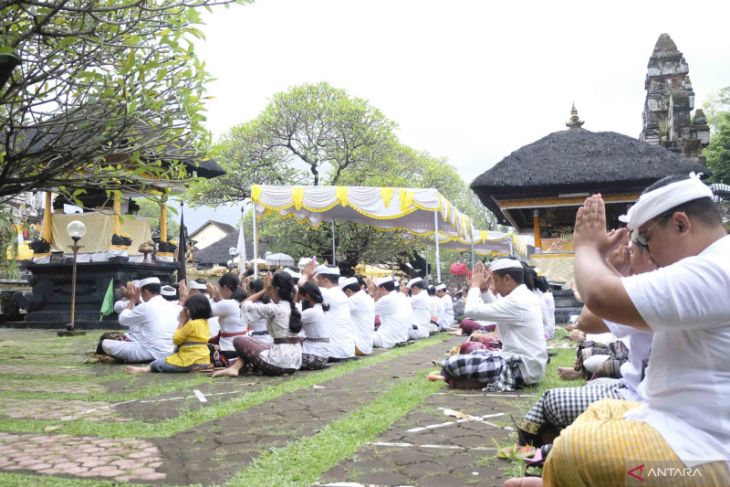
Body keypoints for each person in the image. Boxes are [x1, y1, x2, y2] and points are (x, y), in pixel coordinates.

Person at [515, 174, 730, 486]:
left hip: (705, 454)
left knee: (574, 452)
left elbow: (600, 298)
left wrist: (587, 247)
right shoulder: (713, 263)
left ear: (681, 225)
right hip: (680, 426)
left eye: (646, 238)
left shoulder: (715, 268)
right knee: (598, 413)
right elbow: (610, 307)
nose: (646, 251)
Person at [516, 233, 655, 447]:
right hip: (637, 381)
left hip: (651, 400)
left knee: (552, 399)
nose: (627, 256)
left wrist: (608, 270)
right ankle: (554, 448)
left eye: (631, 251)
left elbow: (588, 321)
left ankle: (545, 450)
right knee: (595, 375)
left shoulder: (657, 286)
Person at [430, 259, 547, 391]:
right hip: (524, 364)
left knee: (453, 364)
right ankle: (470, 381)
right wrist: (484, 290)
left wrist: (474, 286)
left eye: (495, 280)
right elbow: (495, 307)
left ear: (507, 279)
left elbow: (471, 311)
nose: (495, 286)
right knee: (476, 352)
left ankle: (467, 380)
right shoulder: (522, 296)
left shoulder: (518, 301)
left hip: (520, 368)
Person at [213, 272, 302, 377]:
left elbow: (243, 305)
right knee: (259, 342)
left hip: (278, 363)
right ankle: (234, 368)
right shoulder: (294, 308)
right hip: (295, 362)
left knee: (240, 340)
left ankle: (234, 368)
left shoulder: (273, 308)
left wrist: (264, 290)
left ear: (275, 289)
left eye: (271, 289)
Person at [125, 294, 212, 374]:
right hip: (203, 360)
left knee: (158, 363)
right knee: (170, 356)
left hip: (189, 361)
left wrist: (182, 322)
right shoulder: (205, 323)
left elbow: (176, 339)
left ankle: (144, 369)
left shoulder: (192, 324)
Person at [100, 277, 179, 363]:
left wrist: (132, 299)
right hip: (170, 351)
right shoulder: (173, 306)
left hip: (149, 352)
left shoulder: (146, 306)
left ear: (146, 292)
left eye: (140, 292)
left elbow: (122, 319)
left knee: (104, 343)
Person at [304, 264, 355, 361]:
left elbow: (301, 285)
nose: (317, 282)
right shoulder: (339, 293)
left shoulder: (327, 294)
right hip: (346, 351)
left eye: (318, 279)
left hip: (335, 353)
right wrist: (311, 276)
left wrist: (306, 275)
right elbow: (316, 287)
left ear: (325, 280)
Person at [196, 272, 247, 361]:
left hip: (228, 349)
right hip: (242, 348)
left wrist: (212, 297)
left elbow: (203, 314)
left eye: (220, 288)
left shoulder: (228, 303)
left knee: (195, 347)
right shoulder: (242, 301)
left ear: (225, 288)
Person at [368, 276, 411, 348]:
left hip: (387, 339)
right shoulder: (402, 296)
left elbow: (367, 311)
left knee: (359, 338)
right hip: (402, 337)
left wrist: (371, 293)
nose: (378, 293)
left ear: (383, 289)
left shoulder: (386, 299)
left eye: (378, 290)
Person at [298, 281, 330, 370]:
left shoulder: (311, 312)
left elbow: (289, 323)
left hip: (314, 357)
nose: (300, 301)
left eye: (301, 298)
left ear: (307, 297)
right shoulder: (320, 309)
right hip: (322, 357)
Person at [341, 277, 375, 356]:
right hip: (366, 346)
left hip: (358, 346)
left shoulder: (354, 299)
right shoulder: (366, 297)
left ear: (348, 291)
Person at [245, 278, 273, 344]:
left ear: (253, 292)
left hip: (258, 340)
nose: (247, 293)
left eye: (248, 291)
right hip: (271, 339)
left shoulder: (252, 307)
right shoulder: (271, 303)